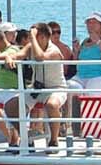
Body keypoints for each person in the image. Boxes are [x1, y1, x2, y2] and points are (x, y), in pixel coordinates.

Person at [23, 22, 69, 151]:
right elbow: (18, 55)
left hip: (57, 88)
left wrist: (32, 38)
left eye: (33, 35)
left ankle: (53, 140)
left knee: (52, 105)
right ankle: (25, 137)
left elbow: (40, 57)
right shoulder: (31, 47)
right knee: (14, 105)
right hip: (37, 89)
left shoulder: (54, 51)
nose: (30, 38)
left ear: (42, 37)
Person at [74, 11, 101, 90]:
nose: (91, 25)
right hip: (80, 76)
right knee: (70, 87)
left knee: (92, 88)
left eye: (94, 23)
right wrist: (76, 50)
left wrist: (98, 41)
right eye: (88, 23)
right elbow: (76, 60)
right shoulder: (85, 41)